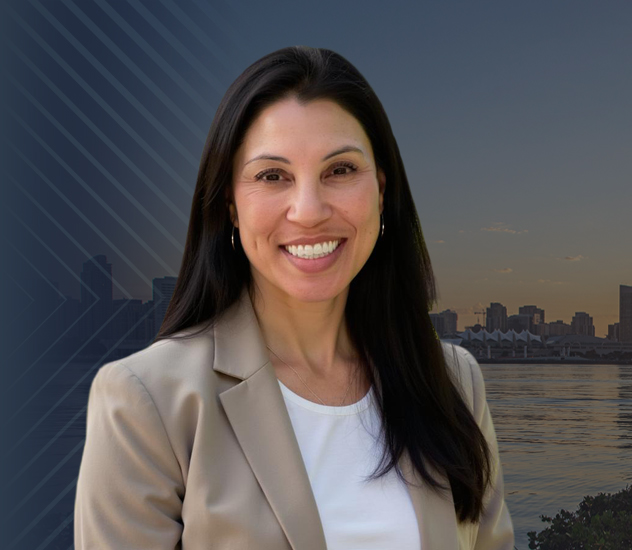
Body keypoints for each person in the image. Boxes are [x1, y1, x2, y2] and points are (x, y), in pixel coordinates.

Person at [73, 46, 513, 549]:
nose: (308, 211)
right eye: (272, 176)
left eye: (340, 170)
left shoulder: (454, 381)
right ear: (231, 208)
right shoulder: (148, 401)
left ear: (381, 190)